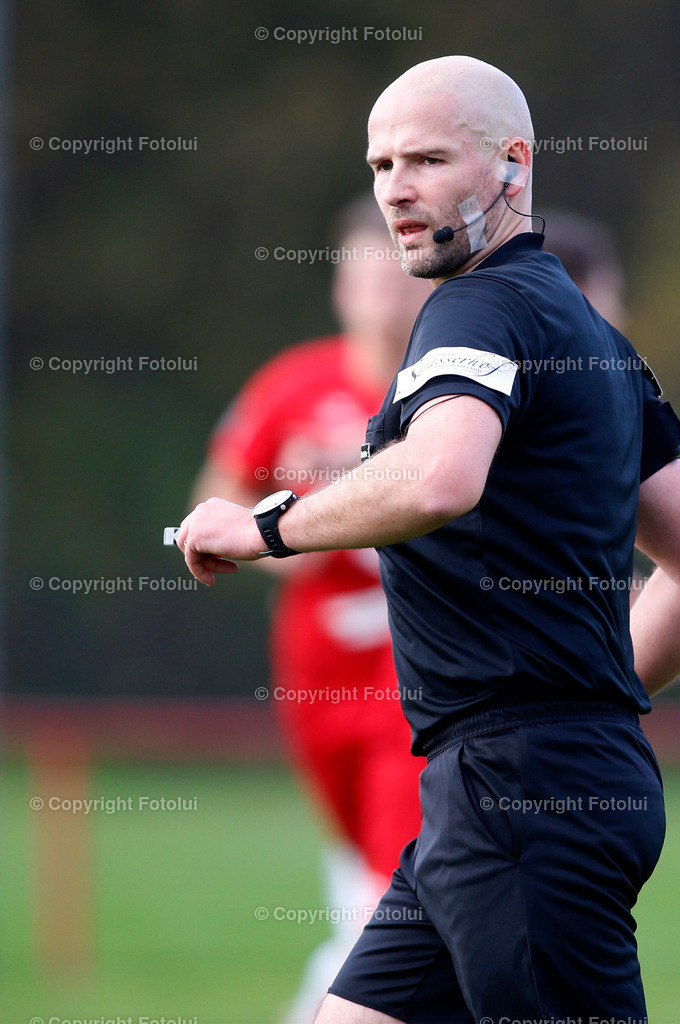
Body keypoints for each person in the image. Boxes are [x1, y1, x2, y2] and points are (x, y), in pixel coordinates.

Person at [174, 55, 680, 1023]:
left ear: (512, 165)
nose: (395, 187)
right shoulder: (588, 334)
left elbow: (441, 475)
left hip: (522, 795)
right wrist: (591, 711)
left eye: (428, 159)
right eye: (379, 164)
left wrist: (264, 525)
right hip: (499, 787)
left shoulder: (475, 306)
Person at [189, 195, 430, 1019]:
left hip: (417, 676)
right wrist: (287, 537)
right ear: (338, 286)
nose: (386, 295)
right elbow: (215, 500)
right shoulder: (295, 384)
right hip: (317, 672)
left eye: (398, 275)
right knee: (361, 878)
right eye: (368, 274)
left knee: (391, 890)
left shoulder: (450, 389)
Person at [541, 210, 680, 712]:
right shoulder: (569, 396)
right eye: (613, 294)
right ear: (579, 293)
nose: (620, 315)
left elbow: (575, 546)